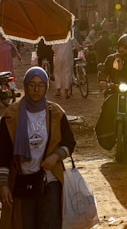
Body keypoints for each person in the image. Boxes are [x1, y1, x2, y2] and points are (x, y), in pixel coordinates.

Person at [0, 66, 76, 229]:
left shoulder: (56, 113)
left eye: (41, 85)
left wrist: (56, 156)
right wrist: (3, 185)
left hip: (50, 182)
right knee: (24, 224)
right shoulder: (10, 116)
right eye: (32, 84)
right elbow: (3, 153)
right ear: (26, 85)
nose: (36, 89)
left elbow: (69, 142)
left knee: (50, 224)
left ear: (47, 87)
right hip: (22, 183)